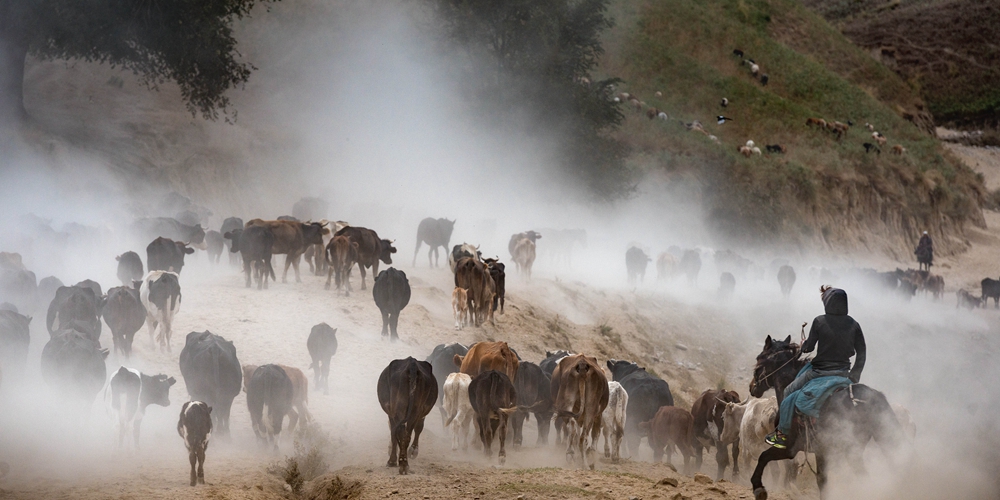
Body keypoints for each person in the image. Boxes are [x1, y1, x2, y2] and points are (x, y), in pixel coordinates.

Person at [765, 286, 866, 449]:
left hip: (819, 372)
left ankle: (782, 435)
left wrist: (804, 345)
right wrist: (855, 376)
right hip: (843, 374)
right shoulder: (854, 324)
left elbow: (809, 348)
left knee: (788, 392)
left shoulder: (819, 321)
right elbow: (862, 352)